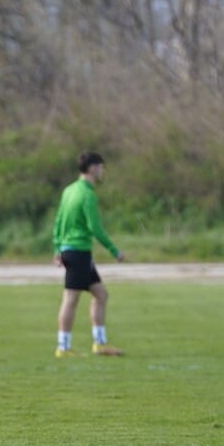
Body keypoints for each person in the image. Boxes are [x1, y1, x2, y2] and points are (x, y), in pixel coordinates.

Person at [51, 151, 126, 358]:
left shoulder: (69, 190)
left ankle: (100, 344)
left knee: (101, 294)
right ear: (92, 168)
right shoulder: (87, 194)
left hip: (72, 251)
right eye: (102, 167)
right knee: (70, 299)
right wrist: (114, 250)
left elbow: (58, 221)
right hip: (78, 252)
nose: (103, 172)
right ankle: (63, 347)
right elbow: (95, 227)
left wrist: (58, 247)